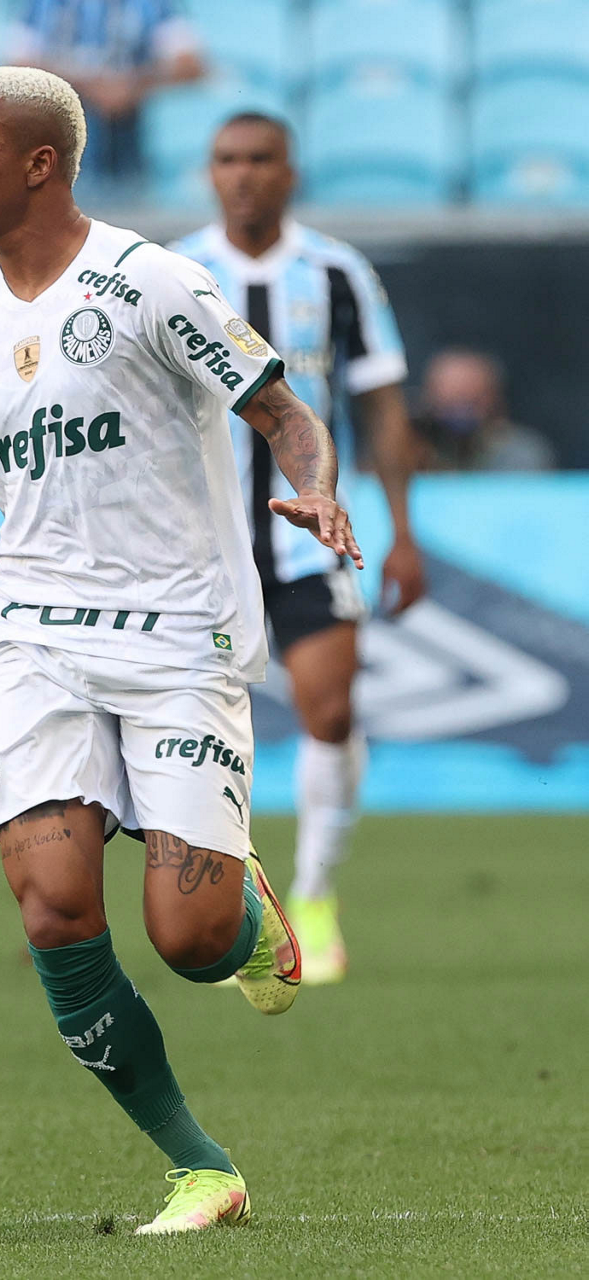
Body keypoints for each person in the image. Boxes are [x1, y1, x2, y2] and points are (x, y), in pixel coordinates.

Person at [0, 67, 362, 1235]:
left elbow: (283, 410)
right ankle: (201, 1166)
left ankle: (244, 919)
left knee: (188, 938)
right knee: (56, 913)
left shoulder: (152, 283)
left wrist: (315, 487)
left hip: (181, 636)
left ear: (40, 163)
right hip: (38, 647)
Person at [170, 113, 426, 985]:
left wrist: (404, 532)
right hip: (199, 547)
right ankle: (226, 907)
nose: (242, 174)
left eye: (260, 159)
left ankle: (313, 897)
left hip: (309, 542)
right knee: (188, 735)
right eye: (227, 160)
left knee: (331, 713)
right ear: (209, 174)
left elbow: (381, 404)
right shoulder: (172, 273)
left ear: (290, 173)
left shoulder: (336, 272)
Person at [4, 0, 204, 189]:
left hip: (131, 139)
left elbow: (191, 66)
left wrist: (132, 86)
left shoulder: (153, 5)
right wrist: (91, 87)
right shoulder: (43, 5)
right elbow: (16, 66)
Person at [415, 348, 556, 472]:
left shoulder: (523, 453)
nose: (459, 413)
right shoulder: (414, 451)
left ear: (494, 399)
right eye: (449, 402)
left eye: (471, 400)